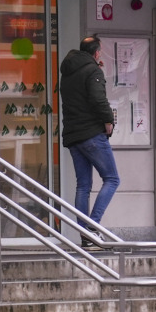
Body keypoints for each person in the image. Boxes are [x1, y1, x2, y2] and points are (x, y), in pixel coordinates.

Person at [59, 34, 119, 248]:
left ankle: (85, 234)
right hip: (92, 134)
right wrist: (109, 120)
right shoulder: (93, 71)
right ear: (96, 52)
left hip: (73, 135)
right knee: (112, 179)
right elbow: (97, 99)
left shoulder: (68, 72)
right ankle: (93, 229)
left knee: (83, 185)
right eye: (100, 51)